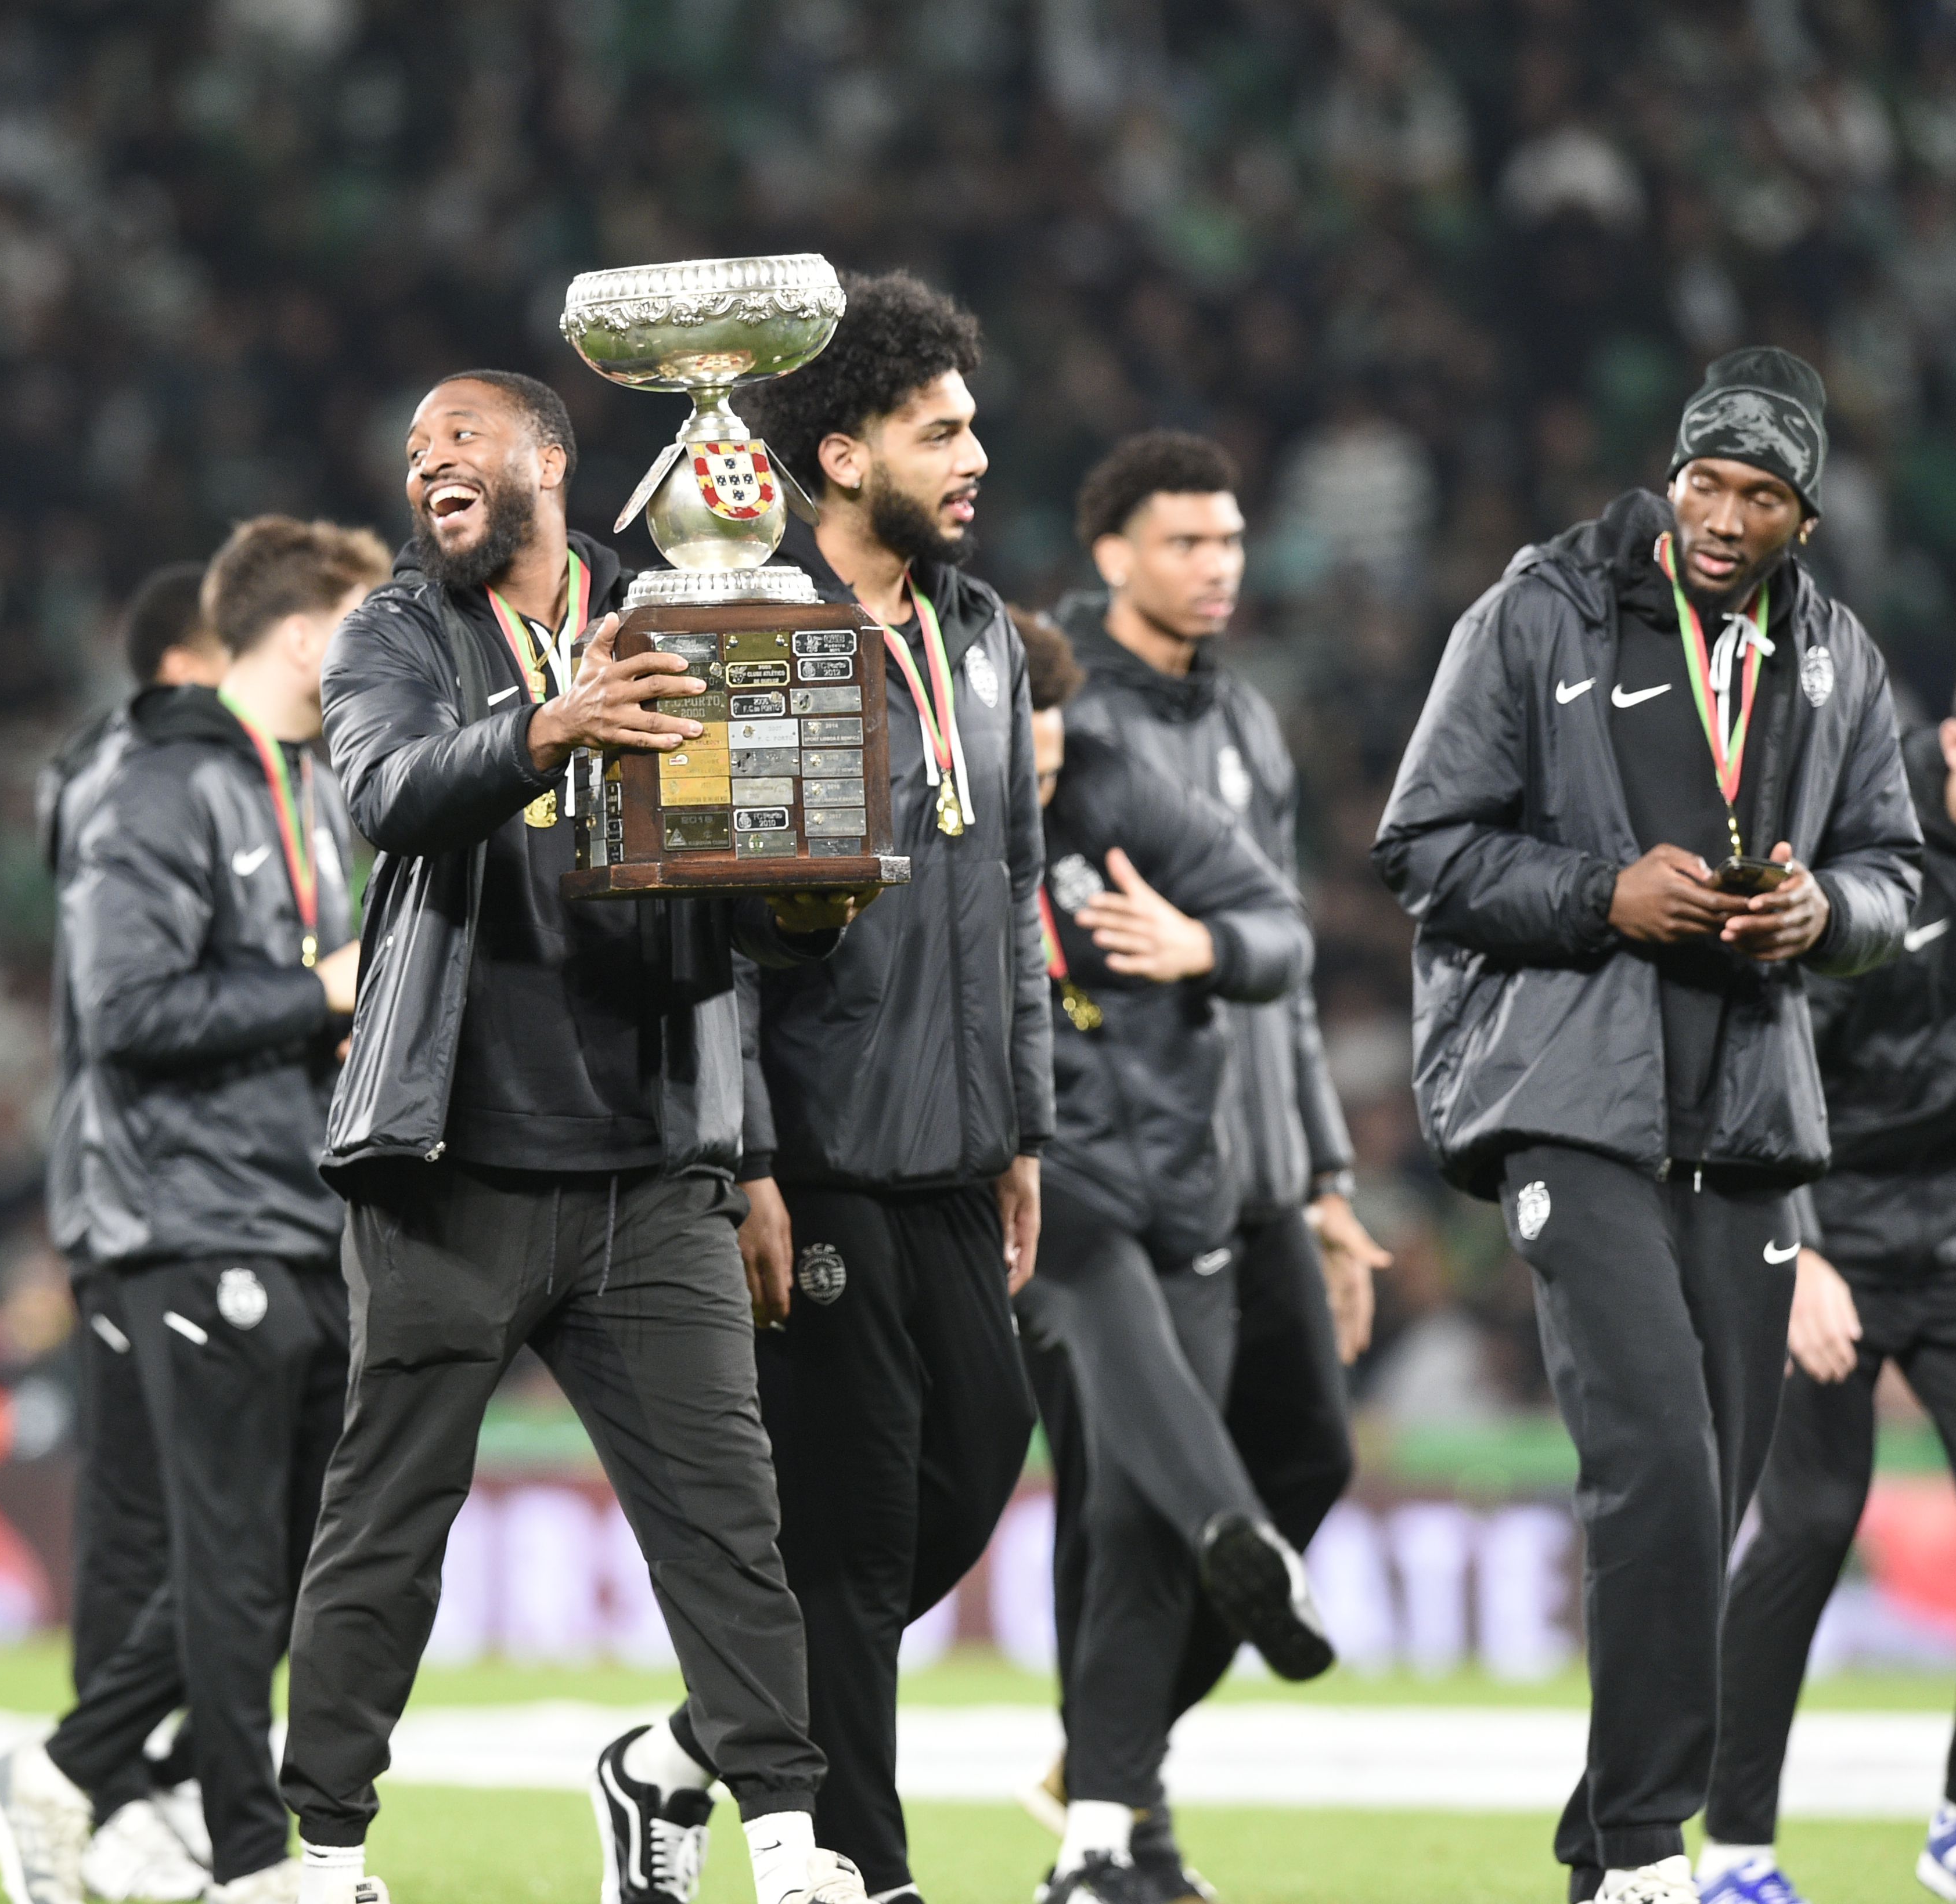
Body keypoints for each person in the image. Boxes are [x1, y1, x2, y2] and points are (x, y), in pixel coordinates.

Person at [273, 369, 869, 1904]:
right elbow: (393, 794)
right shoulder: (393, 633)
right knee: (384, 1526)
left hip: (650, 1166)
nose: (430, 467)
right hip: (448, 1166)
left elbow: (748, 897)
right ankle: (329, 1854)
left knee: (733, 1522)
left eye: (459, 439)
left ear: (548, 453)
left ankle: (792, 1850)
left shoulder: (680, 612)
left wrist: (803, 908)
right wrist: (551, 726)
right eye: (414, 451)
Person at [1373, 347, 1921, 1904]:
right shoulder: (1538, 612)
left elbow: (1895, 869)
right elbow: (1424, 846)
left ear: (1805, 519)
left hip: (1745, 1113)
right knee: (1659, 1468)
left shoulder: (1837, 660)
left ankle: (1604, 1839)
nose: (1726, 518)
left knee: (1720, 1492)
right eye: (1706, 484)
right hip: (1570, 1100)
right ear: (1669, 478)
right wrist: (1599, 894)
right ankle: (1638, 1855)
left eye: (1761, 496)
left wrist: (1825, 913)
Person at [584, 269, 1040, 1904]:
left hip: (955, 1139)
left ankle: (678, 1756)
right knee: (847, 1545)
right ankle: (864, 1873)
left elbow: (1015, 898)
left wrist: (1024, 1123)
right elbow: (711, 922)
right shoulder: (753, 635)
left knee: (978, 1469)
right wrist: (751, 1157)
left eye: (973, 424)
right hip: (820, 1140)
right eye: (942, 431)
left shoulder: (980, 635)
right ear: (842, 458)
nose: (976, 453)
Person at [0, 518, 384, 1904]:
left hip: (302, 1200)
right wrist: (324, 995)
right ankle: (254, 1859)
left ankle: (72, 1763)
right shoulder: (153, 784)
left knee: (287, 1552)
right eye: (371, 626)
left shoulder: (319, 788)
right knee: (223, 1552)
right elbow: (131, 1009)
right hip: (188, 1210)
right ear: (313, 635)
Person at [1046, 433, 1385, 1883]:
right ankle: (1123, 1820)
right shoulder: (1055, 710)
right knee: (1118, 1496)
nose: (1220, 565)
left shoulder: (1245, 719)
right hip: (1097, 1161)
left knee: (1306, 1449)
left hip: (1249, 1163)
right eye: (1188, 541)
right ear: (1112, 553)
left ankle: (1103, 1758)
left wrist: (1324, 1181)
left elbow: (1285, 975)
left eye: (1233, 540)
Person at [1701, 636, 1956, 1904]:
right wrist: (1795, 1247)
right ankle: (1736, 1855)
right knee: (1804, 1521)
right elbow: (1759, 1049)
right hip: (1826, 1225)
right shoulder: (1864, 846)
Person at [1006, 610, 1333, 1904]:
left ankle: (1099, 1845)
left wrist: (1205, 945)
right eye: (1013, 759)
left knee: (1127, 1521)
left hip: (1185, 1197)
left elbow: (1280, 924)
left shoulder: (1108, 786)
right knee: (1112, 1367)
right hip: (1037, 1194)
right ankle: (1236, 1525)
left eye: (1045, 759)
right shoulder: (935, 827)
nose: (1037, 782)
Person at [33, 553, 225, 1892]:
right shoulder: (126, 776)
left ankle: (169, 1787)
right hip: (139, 1193)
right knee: (145, 1523)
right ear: (181, 669)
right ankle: (109, 1797)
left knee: (197, 1516)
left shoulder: (138, 773)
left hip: (198, 1190)